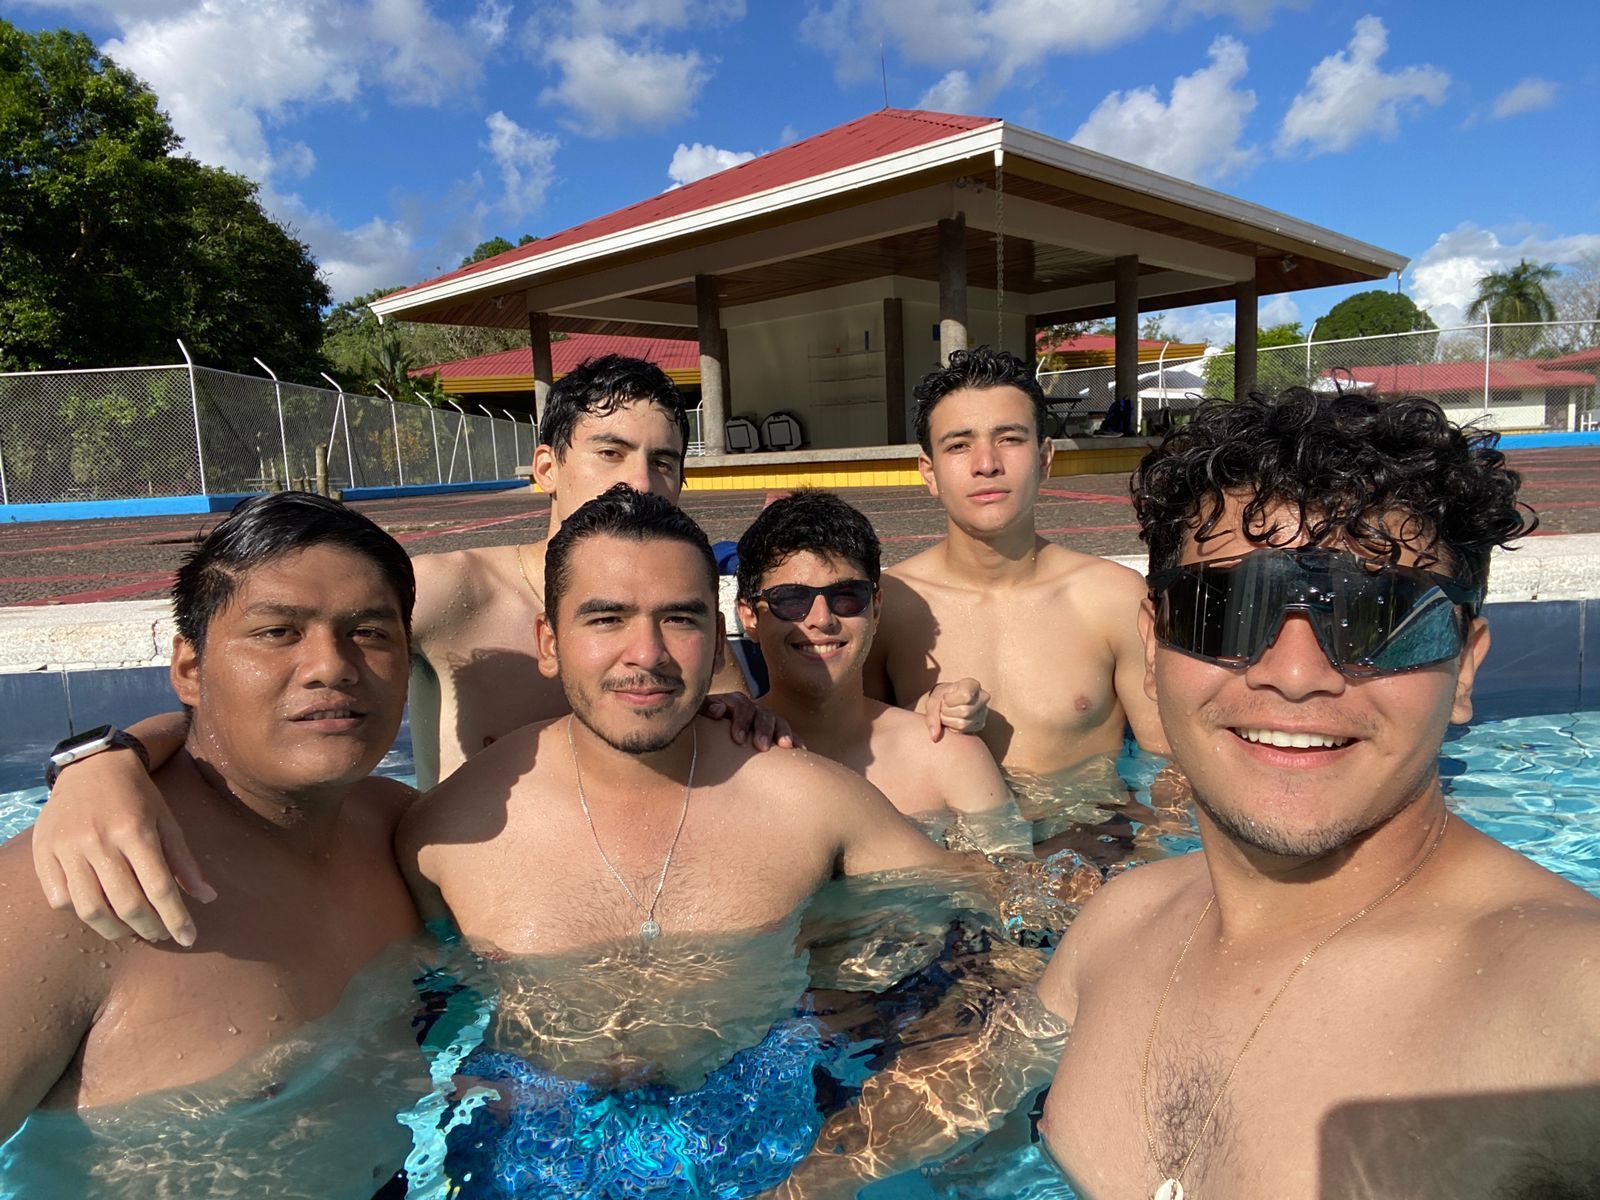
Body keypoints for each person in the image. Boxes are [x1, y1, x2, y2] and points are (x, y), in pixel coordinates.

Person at [32, 354, 981, 945]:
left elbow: (766, 742)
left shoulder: (678, 612)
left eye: (662, 462)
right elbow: (281, 664)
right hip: (489, 909)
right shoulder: (452, 592)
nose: (638, 479)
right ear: (544, 465)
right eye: (610, 453)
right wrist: (108, 759)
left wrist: (921, 719)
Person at [1036, 391, 1600, 1198]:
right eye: (1225, 608)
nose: (1296, 675)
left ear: (1467, 666)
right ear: (1154, 644)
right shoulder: (1114, 928)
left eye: (1382, 616)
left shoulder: (1566, 1002)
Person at [396, 484, 961, 1196]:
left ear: (718, 632)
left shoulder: (814, 803)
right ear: (549, 641)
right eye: (606, 617)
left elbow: (986, 946)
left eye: (680, 619)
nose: (648, 654)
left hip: (776, 1162)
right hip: (530, 1156)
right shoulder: (449, 834)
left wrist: (862, 1132)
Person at [0, 493, 423, 1192]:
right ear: (190, 670)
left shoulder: (394, 830)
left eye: (370, 633)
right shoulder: (65, 893)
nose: (332, 666)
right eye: (278, 632)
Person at [867, 346, 1168, 854]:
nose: (986, 464)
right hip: (951, 874)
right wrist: (916, 719)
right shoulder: (887, 607)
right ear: (928, 471)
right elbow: (848, 758)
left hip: (1090, 859)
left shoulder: (1114, 599)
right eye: (959, 446)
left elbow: (1169, 770)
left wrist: (1146, 878)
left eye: (1009, 439)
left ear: (1045, 458)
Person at [734, 489, 1017, 842]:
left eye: (847, 596)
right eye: (791, 600)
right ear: (749, 617)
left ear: (876, 607)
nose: (822, 619)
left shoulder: (948, 758)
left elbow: (1015, 888)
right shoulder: (720, 758)